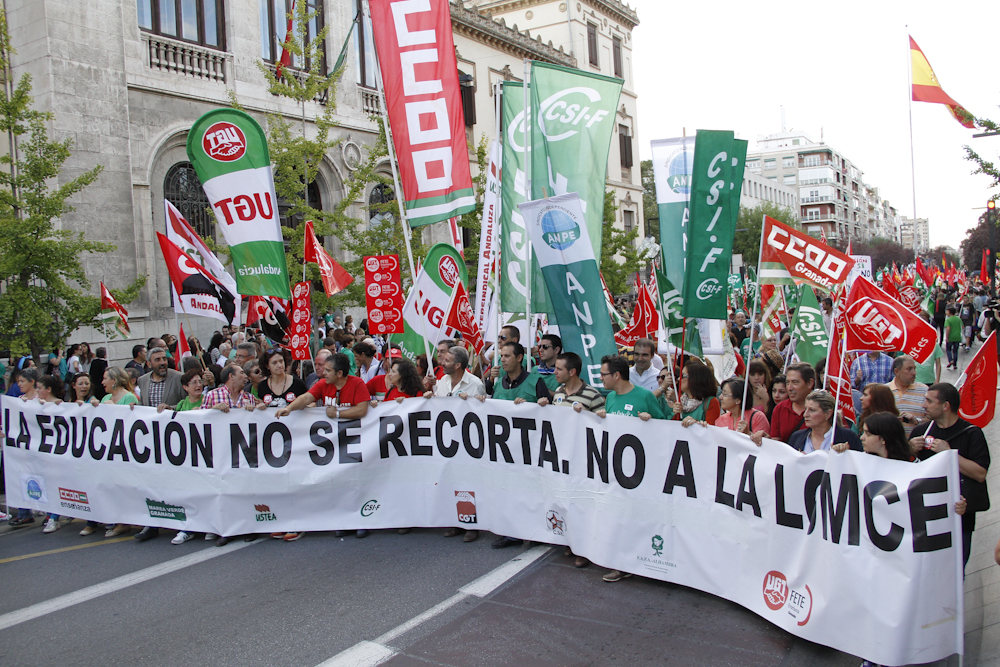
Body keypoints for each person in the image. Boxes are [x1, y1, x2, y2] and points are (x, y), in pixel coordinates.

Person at [277, 354, 370, 540]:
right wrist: (289, 408)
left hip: (354, 442)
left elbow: (362, 409)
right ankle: (344, 521)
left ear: (340, 373)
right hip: (332, 446)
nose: (323, 373)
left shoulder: (357, 383)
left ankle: (361, 521)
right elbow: (306, 398)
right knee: (339, 481)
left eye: (328, 371)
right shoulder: (323, 385)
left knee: (356, 481)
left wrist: (338, 414)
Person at [910, 383, 990, 568]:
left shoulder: (972, 434)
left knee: (953, 573)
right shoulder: (921, 433)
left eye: (929, 401)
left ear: (945, 406)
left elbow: (980, 473)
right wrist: (909, 451)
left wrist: (950, 453)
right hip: (925, 518)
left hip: (958, 518)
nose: (924, 405)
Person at [538, 351, 605, 568]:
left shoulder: (592, 395)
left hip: (583, 458)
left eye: (559, 369)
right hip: (561, 457)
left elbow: (604, 424)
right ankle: (570, 540)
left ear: (572, 371)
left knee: (582, 501)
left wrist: (590, 415)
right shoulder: (558, 392)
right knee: (565, 498)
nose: (554, 372)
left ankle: (584, 549)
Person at [158, 369, 209, 544]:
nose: (198, 385)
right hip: (187, 457)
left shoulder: (207, 400)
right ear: (185, 387)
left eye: (200, 381)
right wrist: (166, 409)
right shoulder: (181, 404)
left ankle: (208, 525)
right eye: (194, 382)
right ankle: (188, 528)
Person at [756, 363, 815, 445]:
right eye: (787, 383)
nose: (790, 388)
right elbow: (776, 443)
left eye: (795, 382)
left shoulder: (821, 409)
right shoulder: (780, 408)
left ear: (809, 383)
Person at [787, 390, 863, 453]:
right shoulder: (796, 437)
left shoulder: (847, 437)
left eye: (812, 410)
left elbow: (857, 465)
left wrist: (845, 454)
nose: (805, 414)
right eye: (806, 409)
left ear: (828, 414)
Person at [484, 342, 548, 404]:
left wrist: (528, 406)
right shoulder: (498, 383)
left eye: (507, 356)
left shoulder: (536, 382)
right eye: (501, 356)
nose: (502, 360)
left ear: (519, 358)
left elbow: (548, 410)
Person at [886, 354, 928, 438]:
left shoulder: (925, 390)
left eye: (914, 368)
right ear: (897, 371)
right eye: (909, 369)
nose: (914, 373)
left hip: (917, 444)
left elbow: (933, 420)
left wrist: (917, 421)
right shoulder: (884, 391)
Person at [670, 361, 719, 426]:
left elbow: (712, 430)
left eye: (683, 375)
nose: (679, 379)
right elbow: (672, 427)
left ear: (695, 378)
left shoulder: (711, 402)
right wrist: (675, 414)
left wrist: (696, 424)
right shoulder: (680, 401)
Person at [137, 347, 184, 412]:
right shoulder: (142, 380)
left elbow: (187, 402)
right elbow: (143, 404)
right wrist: (134, 407)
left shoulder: (179, 378)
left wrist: (170, 408)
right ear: (149, 364)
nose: (162, 363)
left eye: (164, 359)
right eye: (157, 360)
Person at [915, 312, 945, 385]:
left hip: (929, 380)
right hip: (915, 381)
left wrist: (937, 379)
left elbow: (938, 363)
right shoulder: (914, 344)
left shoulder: (935, 345)